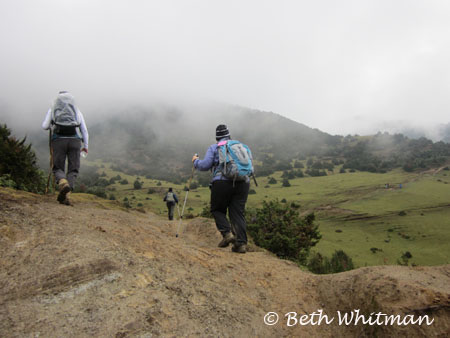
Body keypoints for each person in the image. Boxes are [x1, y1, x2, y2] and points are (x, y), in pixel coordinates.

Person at [192, 124, 250, 253]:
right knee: (237, 213)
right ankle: (241, 245)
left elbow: (205, 165)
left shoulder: (215, 147)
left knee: (217, 209)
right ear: (229, 135)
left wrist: (195, 161)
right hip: (243, 182)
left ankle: (227, 234)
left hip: (222, 182)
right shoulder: (240, 146)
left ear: (216, 137)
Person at [42, 91, 88, 205]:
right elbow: (84, 130)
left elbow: (45, 126)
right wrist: (85, 146)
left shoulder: (53, 109)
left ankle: (63, 182)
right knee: (73, 169)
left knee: (58, 167)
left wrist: (53, 125)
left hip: (59, 140)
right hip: (75, 141)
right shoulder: (76, 110)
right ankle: (66, 197)